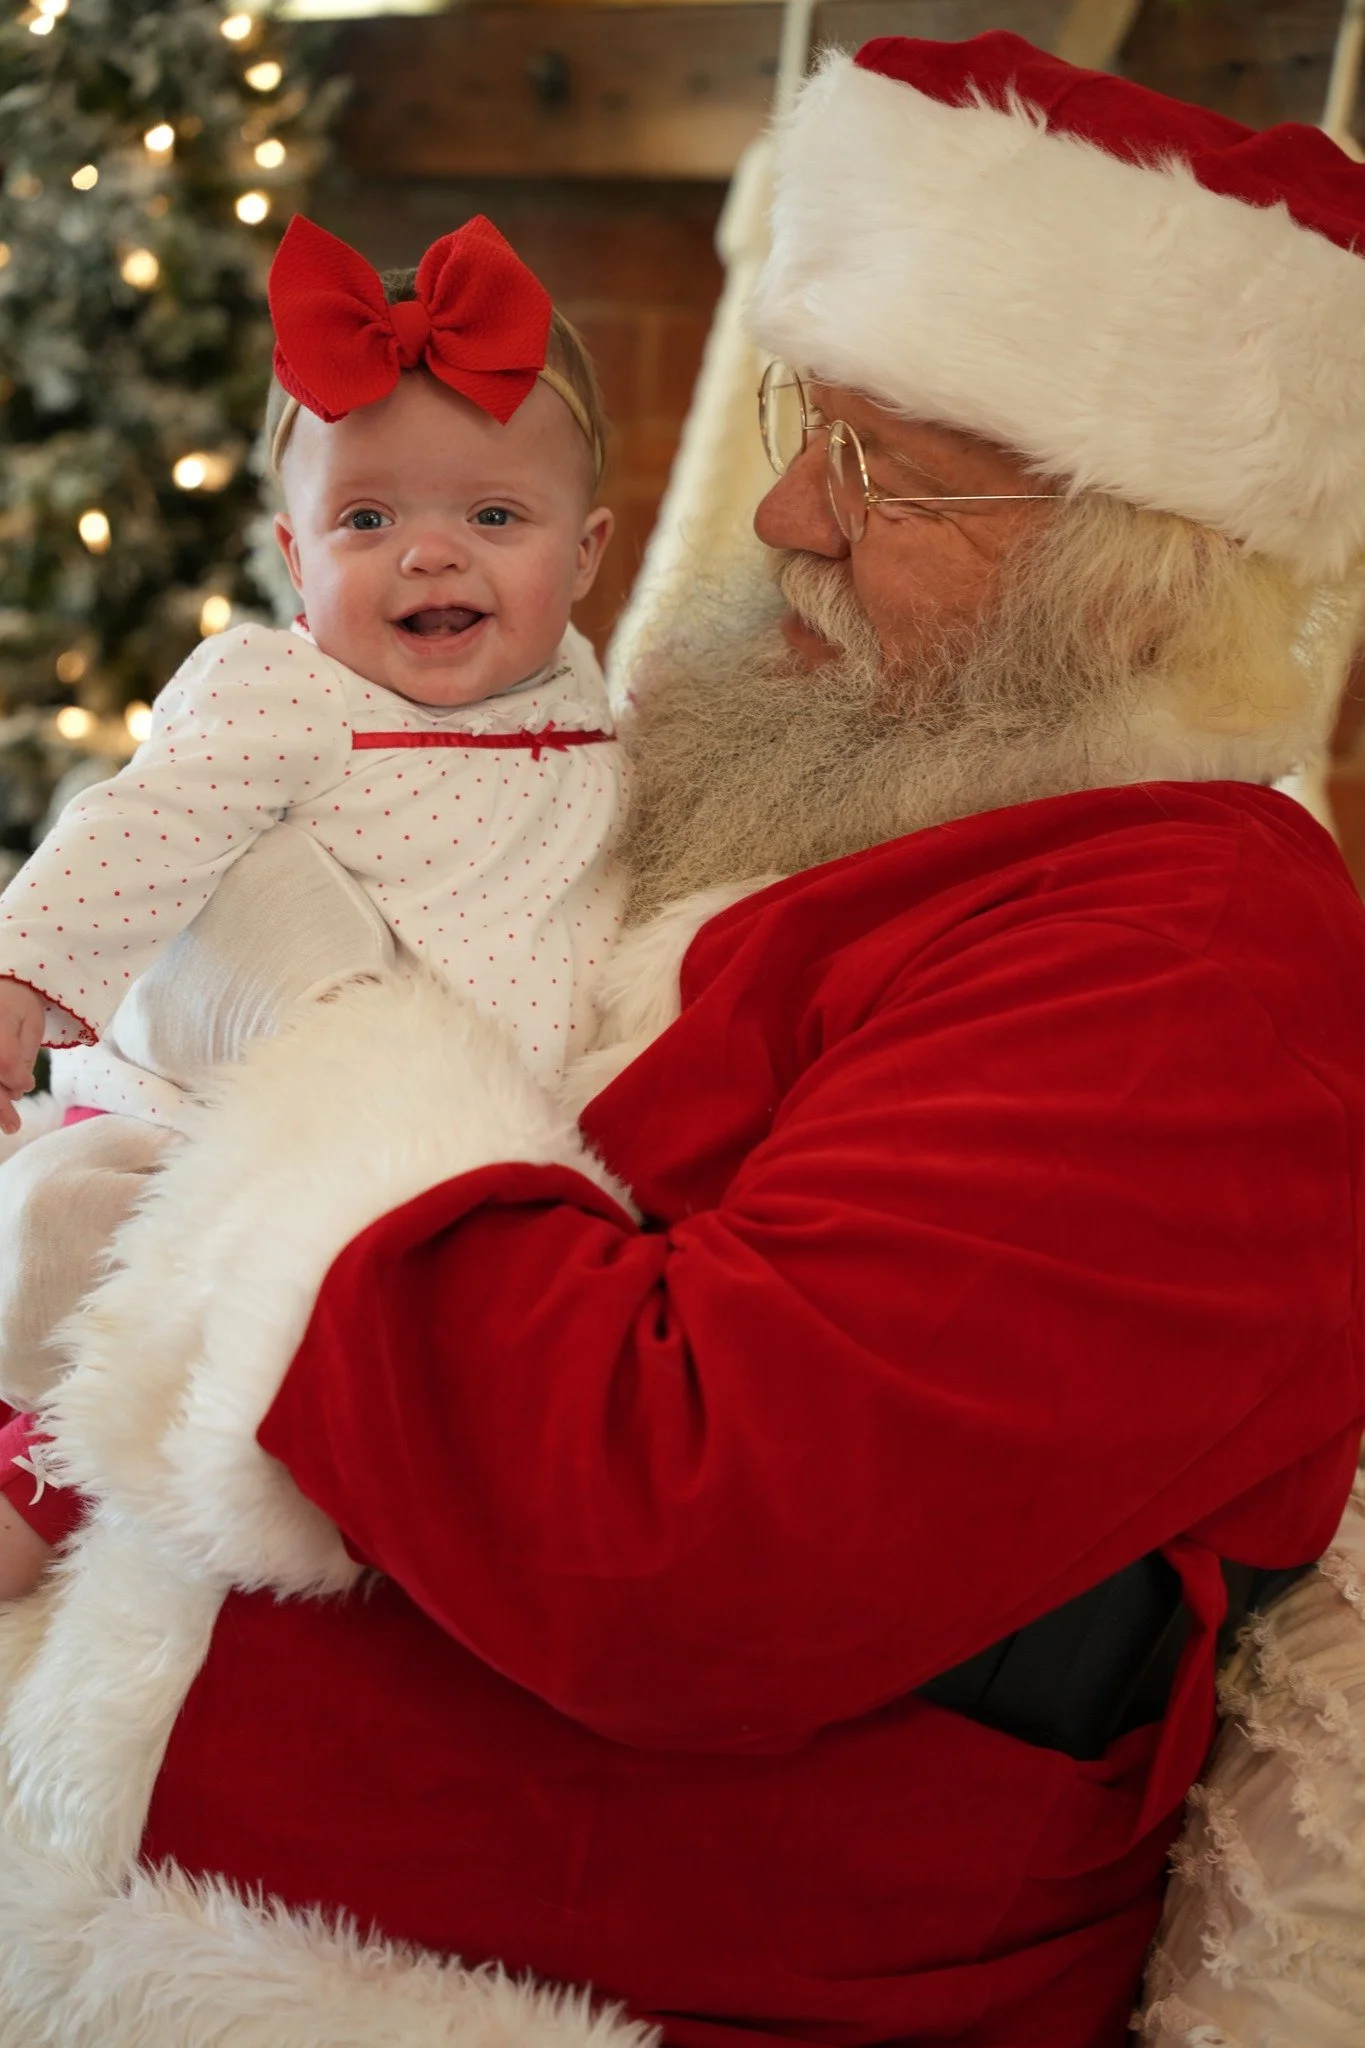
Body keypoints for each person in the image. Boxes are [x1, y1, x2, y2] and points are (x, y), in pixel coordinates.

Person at [0, 30, 1363, 2048]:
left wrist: (328, 1019)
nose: (788, 511)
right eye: (813, 422)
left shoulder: (1193, 951)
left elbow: (686, 1532)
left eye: (885, 464)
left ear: (1140, 577)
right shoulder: (799, 806)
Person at [0, 211, 620, 1409]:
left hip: (437, 1147)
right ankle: (44, 1457)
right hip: (200, 1127)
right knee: (78, 1240)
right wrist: (18, 969)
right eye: (367, 521)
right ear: (295, 555)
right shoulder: (285, 693)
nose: (430, 557)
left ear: (586, 552)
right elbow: (144, 824)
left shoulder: (599, 704)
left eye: (494, 518)